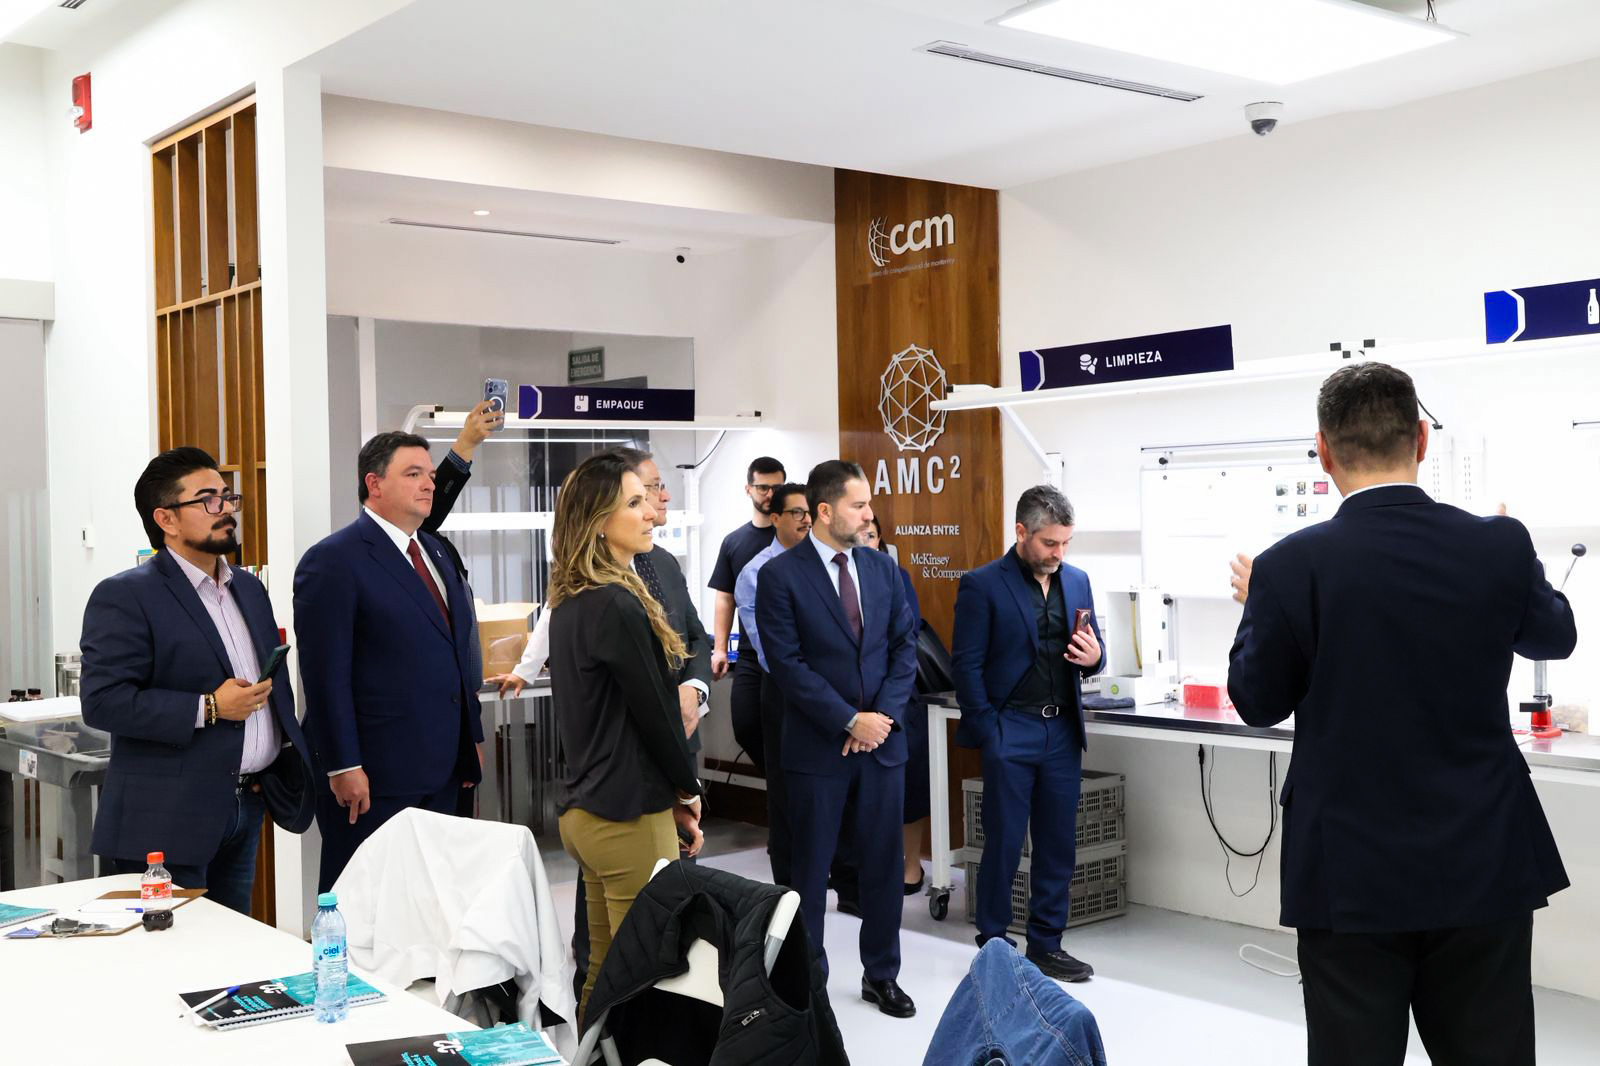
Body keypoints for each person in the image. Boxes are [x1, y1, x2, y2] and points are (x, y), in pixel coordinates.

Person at [1226, 363, 1576, 1066]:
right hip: (1482, 858)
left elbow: (1258, 703)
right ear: (1420, 439)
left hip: (1348, 871)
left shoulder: (1288, 567)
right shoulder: (1499, 544)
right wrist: (1513, 561)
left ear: (1323, 451)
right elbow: (1555, 636)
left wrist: (1260, 606)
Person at [79, 447, 313, 914]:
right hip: (165, 817)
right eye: (208, 499)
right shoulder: (125, 595)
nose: (225, 509)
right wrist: (210, 706)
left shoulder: (249, 588)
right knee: (166, 949)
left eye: (227, 496)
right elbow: (103, 702)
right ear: (165, 518)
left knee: (227, 946)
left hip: (245, 804)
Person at [755, 460, 919, 1019]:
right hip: (817, 748)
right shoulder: (781, 576)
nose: (870, 514)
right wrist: (849, 720)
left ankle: (882, 975)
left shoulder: (883, 569)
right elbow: (787, 664)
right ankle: (810, 983)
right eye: (859, 504)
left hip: (882, 746)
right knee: (809, 871)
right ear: (824, 511)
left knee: (882, 866)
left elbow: (904, 648)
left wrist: (880, 720)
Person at [544, 452, 705, 1018]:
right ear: (598, 522)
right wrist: (686, 791)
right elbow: (657, 717)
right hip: (626, 815)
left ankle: (588, 1054)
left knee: (604, 971)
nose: (651, 514)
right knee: (642, 977)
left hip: (587, 811)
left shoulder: (571, 599)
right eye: (634, 503)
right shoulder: (617, 603)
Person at [294, 431, 485, 892]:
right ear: (374, 484)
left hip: (444, 766)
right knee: (367, 899)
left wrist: (471, 736)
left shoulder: (436, 551)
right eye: (414, 474)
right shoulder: (333, 560)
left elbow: (455, 653)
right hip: (374, 773)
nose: (429, 484)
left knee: (431, 898)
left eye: (431, 475)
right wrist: (343, 765)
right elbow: (325, 676)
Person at [950, 485, 1104, 983]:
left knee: (1058, 843)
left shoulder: (1077, 580)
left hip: (1062, 728)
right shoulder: (982, 585)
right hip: (1010, 726)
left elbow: (1094, 649)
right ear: (1021, 532)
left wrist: (1096, 659)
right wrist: (989, 730)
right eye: (1049, 543)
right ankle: (994, 943)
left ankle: (1046, 944)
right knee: (1005, 841)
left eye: (1066, 543)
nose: (1059, 553)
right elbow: (966, 666)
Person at [732, 482, 812, 885]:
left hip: (829, 694)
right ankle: (790, 890)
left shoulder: (826, 563)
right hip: (784, 691)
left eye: (810, 511)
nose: (806, 520)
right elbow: (771, 651)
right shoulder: (756, 572)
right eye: (797, 512)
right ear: (775, 518)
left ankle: (846, 882)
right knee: (785, 796)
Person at [864, 516, 932, 895]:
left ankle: (911, 865)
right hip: (854, 705)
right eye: (859, 535)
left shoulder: (896, 576)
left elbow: (907, 635)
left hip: (899, 696)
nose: (865, 541)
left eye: (872, 535)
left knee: (911, 785)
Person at [709, 456, 786, 770]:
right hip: (750, 655)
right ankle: (780, 784)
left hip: (786, 654)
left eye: (776, 487)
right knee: (745, 727)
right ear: (748, 489)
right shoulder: (734, 542)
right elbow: (725, 598)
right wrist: (719, 649)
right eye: (763, 487)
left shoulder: (793, 538)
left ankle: (786, 789)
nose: (770, 494)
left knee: (786, 731)